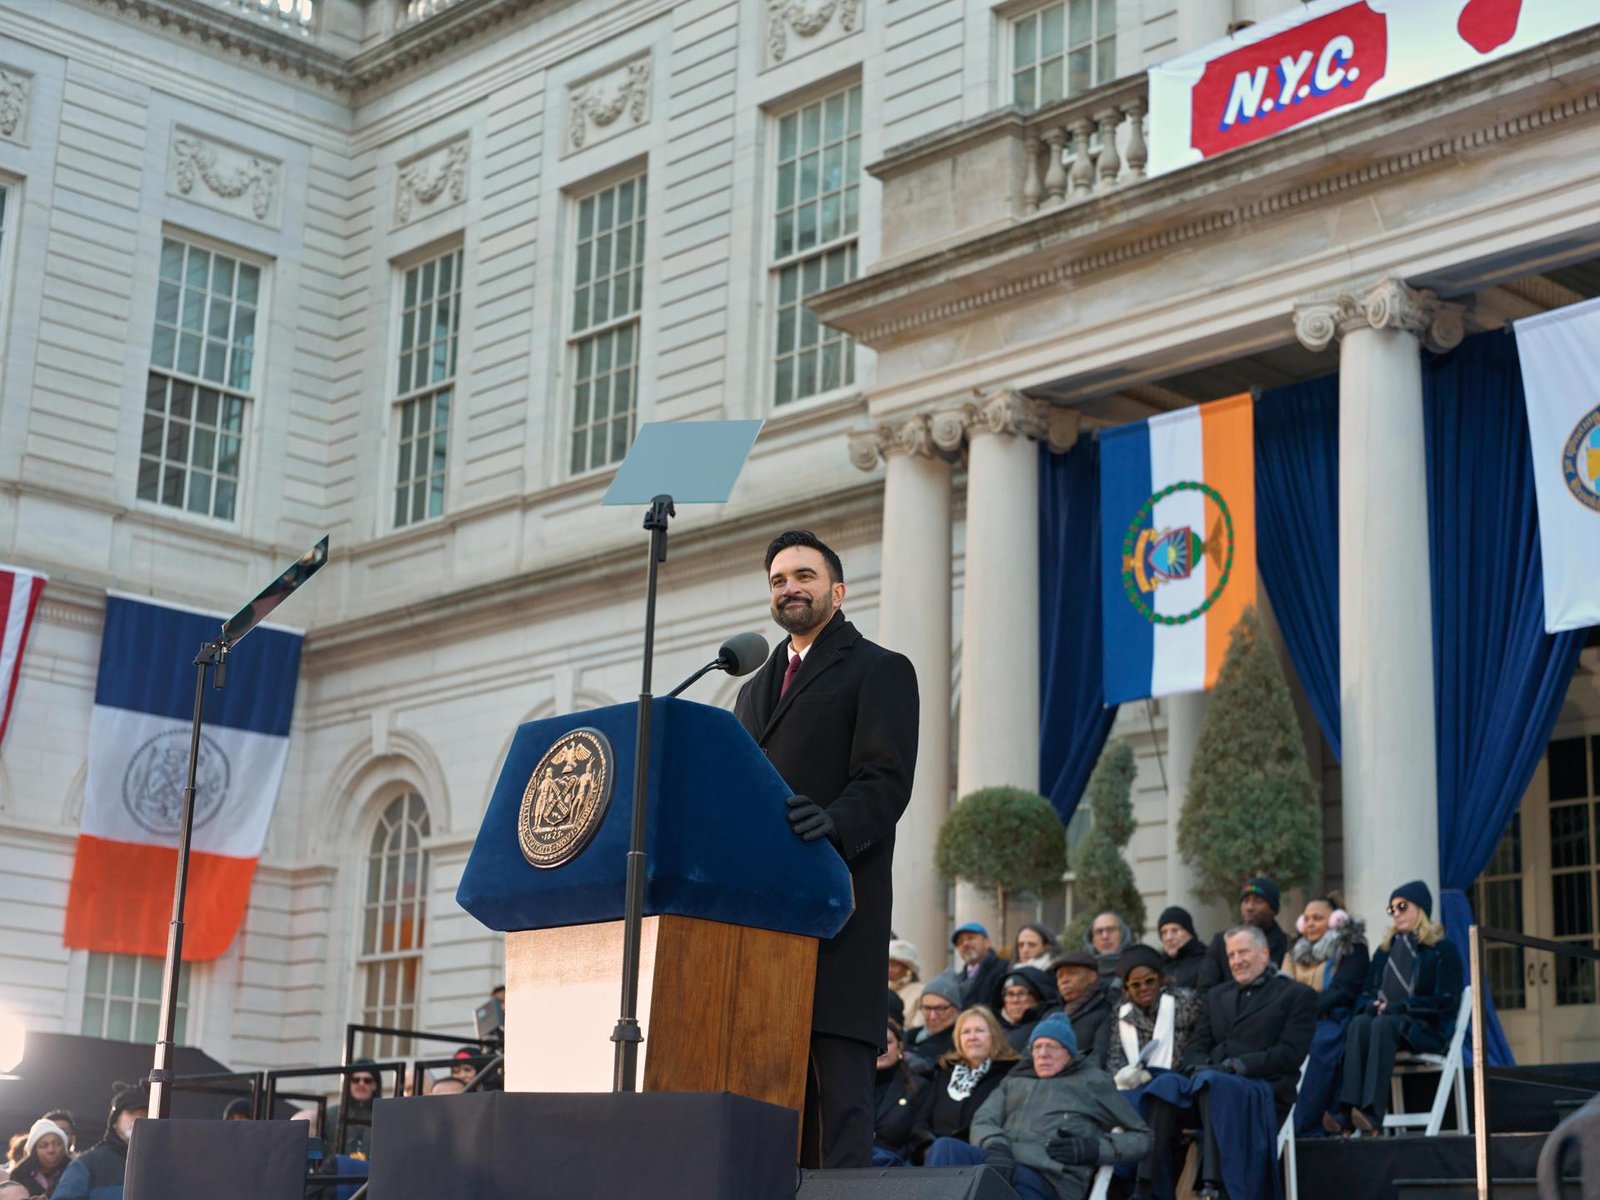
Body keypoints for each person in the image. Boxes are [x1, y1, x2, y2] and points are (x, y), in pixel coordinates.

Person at [734, 530, 919, 1169]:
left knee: (836, 1114)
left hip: (839, 913)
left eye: (804, 576)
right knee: (769, 1118)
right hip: (763, 927)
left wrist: (834, 825)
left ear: (837, 592)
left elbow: (885, 781)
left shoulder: (879, 668)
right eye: (778, 580)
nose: (790, 588)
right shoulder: (751, 689)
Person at [1140, 926, 1316, 1200]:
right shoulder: (1217, 995)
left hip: (1262, 1092)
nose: (1236, 961)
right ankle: (1148, 1187)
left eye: (1243, 952)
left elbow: (1290, 1053)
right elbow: (1196, 1046)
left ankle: (1214, 1187)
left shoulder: (1296, 994)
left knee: (1214, 1082)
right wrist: (1199, 1066)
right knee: (1164, 1085)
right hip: (1209, 1087)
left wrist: (1238, 1066)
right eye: (1231, 955)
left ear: (1264, 953)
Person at [925, 1013, 1153, 1200]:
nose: (1043, 1054)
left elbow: (1143, 1137)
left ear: (1069, 1052)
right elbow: (984, 1119)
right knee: (945, 1148)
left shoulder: (1093, 1082)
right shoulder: (1015, 1079)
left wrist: (1094, 1148)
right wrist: (996, 1146)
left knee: (986, 1187)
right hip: (1001, 1162)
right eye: (1037, 1047)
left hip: (1048, 1177)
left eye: (1052, 1047)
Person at [1331, 881, 1462, 1135]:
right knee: (1360, 1022)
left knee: (1384, 1023)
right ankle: (1346, 1112)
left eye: (1402, 907)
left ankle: (1372, 1114)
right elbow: (1365, 994)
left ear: (1420, 909)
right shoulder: (1384, 951)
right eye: (1392, 909)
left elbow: (1446, 1001)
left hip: (1423, 1028)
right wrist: (1371, 1006)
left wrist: (1402, 1007)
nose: (1396, 914)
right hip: (1387, 1024)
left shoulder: (1441, 950)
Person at [1279, 893, 1370, 1137]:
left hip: (1332, 1019)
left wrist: (1300, 1009)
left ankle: (1303, 1129)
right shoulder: (1293, 953)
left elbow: (1342, 991)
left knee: (1317, 1048)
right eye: (1306, 918)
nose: (1309, 923)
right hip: (1295, 1020)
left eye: (1317, 918)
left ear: (1336, 920)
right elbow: (1281, 990)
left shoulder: (1352, 949)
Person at [904, 1006, 1020, 1161]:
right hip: (937, 1156)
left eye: (979, 1031)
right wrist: (928, 1148)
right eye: (965, 1032)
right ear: (958, 1039)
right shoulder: (944, 1073)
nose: (972, 1037)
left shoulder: (1009, 1074)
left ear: (994, 1036)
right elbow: (921, 1123)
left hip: (983, 1157)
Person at [1103, 945, 1205, 1089]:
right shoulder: (1121, 1011)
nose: (1144, 988)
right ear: (1126, 988)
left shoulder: (1185, 1001)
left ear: (1160, 979)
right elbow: (1115, 1057)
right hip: (1134, 1087)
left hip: (1179, 1083)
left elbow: (1198, 1043)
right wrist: (1123, 1076)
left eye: (1149, 981)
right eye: (1136, 985)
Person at [53, 1082, 147, 1200]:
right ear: (115, 1121)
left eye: (145, 1115)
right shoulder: (89, 1164)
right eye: (131, 1113)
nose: (138, 1119)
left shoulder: (161, 1162)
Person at [1197, 877, 1289, 989]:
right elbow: (1205, 988)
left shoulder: (1287, 945)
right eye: (1246, 901)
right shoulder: (1221, 942)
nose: (1249, 907)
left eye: (1258, 901)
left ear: (1273, 909)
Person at [871, 1019, 923, 1166]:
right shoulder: (853, 1087)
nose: (881, 1049)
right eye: (874, 1043)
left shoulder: (918, 1086)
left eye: (887, 1042)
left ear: (900, 1047)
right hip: (855, 1166)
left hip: (897, 1167)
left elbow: (918, 1138)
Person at [1052, 949, 1113, 1067]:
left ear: (1092, 976)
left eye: (1072, 973)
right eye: (1059, 976)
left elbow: (1098, 1060)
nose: (1064, 980)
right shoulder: (1050, 1015)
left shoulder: (1106, 1012)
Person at [906, 975, 962, 1074]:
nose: (932, 1016)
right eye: (927, 1008)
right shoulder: (908, 1036)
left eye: (941, 1009)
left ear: (957, 1009)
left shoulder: (960, 1043)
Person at [998, 966, 1061, 1053]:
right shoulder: (993, 1026)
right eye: (1010, 994)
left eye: (1021, 994)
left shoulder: (1048, 1022)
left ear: (1037, 997)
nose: (1015, 1000)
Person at [952, 923, 1010, 1010]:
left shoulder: (1004, 968)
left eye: (971, 938)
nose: (965, 944)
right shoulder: (957, 980)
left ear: (987, 942)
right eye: (960, 942)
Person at [8, 1117, 71, 1197]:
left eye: (57, 1144)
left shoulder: (74, 1169)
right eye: (43, 1146)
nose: (51, 1150)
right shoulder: (19, 1174)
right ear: (34, 1151)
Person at [326, 1064, 379, 1157]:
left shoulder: (383, 1117)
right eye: (356, 1080)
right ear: (349, 1083)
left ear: (374, 1085)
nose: (361, 1084)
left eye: (367, 1080)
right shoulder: (331, 1115)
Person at [1156, 907, 1208, 991]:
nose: (1169, 937)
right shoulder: (1158, 965)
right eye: (1164, 932)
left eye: (1175, 930)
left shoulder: (1207, 960)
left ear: (1189, 932)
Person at [888, 939, 925, 1030]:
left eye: (894, 965)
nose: (889, 969)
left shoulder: (920, 991)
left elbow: (918, 1025)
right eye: (887, 964)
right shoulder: (878, 990)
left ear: (908, 968)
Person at [1086, 912, 1130, 985]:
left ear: (1122, 935)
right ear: (1092, 940)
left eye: (1111, 930)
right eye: (1099, 931)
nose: (1105, 936)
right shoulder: (1083, 975)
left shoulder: (1137, 969)